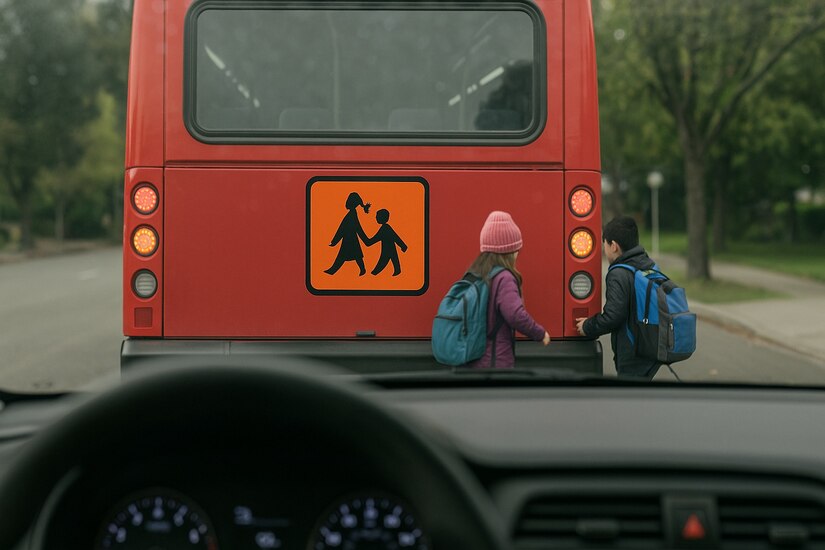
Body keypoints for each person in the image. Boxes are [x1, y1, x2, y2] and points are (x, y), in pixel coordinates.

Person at [575, 215, 660, 380]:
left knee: (631, 400)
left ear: (613, 246)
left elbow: (613, 316)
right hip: (650, 345)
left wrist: (587, 326)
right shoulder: (648, 264)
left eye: (604, 244)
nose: (604, 249)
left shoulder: (618, 273)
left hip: (632, 350)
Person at [466, 211, 550, 369]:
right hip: (495, 362)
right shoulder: (504, 278)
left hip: (472, 359)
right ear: (509, 250)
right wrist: (540, 333)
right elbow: (515, 315)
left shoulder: (475, 273)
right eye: (516, 249)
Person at [325, 192, 372, 276]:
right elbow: (345, 228)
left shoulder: (352, 214)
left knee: (344, 256)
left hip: (349, 239)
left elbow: (344, 228)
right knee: (355, 255)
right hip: (350, 238)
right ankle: (362, 269)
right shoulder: (352, 213)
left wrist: (335, 241)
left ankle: (333, 270)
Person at [369, 208, 407, 276]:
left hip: (387, 250)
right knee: (394, 260)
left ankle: (373, 274)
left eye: (377, 216)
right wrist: (403, 246)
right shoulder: (386, 227)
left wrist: (403, 245)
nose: (376, 217)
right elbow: (395, 237)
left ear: (381, 217)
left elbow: (395, 237)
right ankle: (397, 270)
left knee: (380, 266)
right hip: (390, 249)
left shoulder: (384, 228)